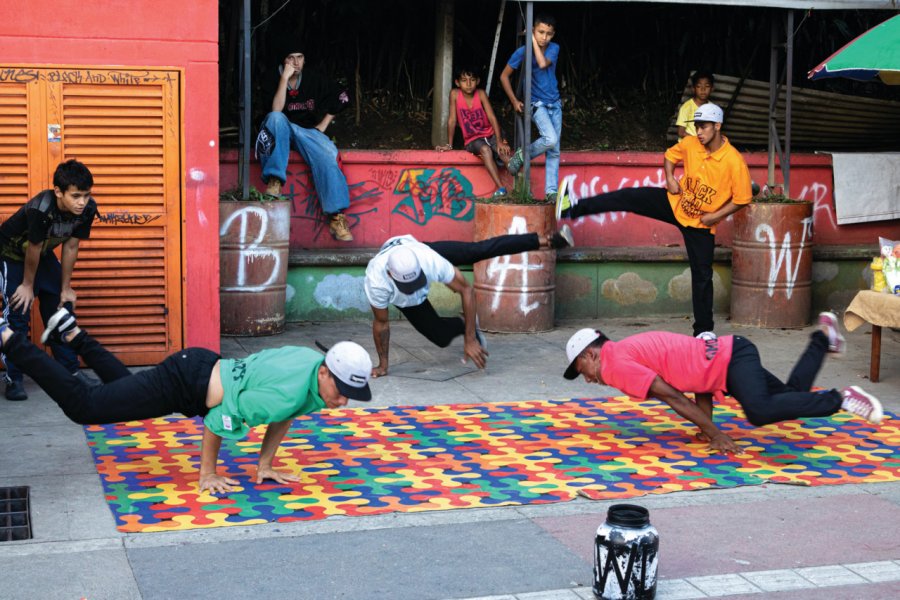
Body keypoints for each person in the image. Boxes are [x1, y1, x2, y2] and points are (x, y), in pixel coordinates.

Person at [0, 306, 373, 494]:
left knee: (126, 393)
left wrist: (265, 464)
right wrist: (207, 473)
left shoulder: (310, 369)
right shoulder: (283, 395)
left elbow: (286, 415)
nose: (343, 402)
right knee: (87, 406)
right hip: (185, 382)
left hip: (199, 367)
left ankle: (71, 332)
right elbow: (217, 421)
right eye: (342, 391)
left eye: (351, 395)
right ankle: (10, 340)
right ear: (325, 372)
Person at [556, 103, 752, 337]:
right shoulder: (691, 143)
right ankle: (572, 208)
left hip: (702, 223)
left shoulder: (733, 161)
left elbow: (742, 198)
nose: (699, 132)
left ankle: (703, 332)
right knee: (628, 197)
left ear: (718, 126)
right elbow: (670, 156)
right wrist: (669, 177)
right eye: (697, 127)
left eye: (704, 127)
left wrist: (715, 217)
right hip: (675, 203)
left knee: (702, 277)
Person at [562, 312, 883, 455]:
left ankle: (839, 399)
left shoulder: (615, 366)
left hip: (732, 360)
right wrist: (708, 427)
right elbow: (696, 382)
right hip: (730, 355)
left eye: (582, 370)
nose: (588, 379)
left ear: (592, 354)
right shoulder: (625, 351)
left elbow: (675, 398)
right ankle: (823, 339)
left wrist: (717, 434)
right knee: (792, 397)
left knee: (758, 411)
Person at [366, 227, 574, 376]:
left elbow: (466, 290)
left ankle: (547, 240)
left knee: (478, 250)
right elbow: (382, 324)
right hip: (402, 285)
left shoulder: (429, 260)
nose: (417, 287)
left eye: (417, 281)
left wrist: (470, 340)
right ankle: (463, 323)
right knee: (439, 337)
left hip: (417, 250)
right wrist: (383, 365)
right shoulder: (377, 282)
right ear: (390, 276)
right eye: (409, 285)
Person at [0, 159, 98, 401]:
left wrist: (65, 288)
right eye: (75, 196)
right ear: (58, 192)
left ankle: (71, 371)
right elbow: (32, 247)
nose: (82, 202)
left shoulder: (87, 209)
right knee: (18, 313)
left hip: (40, 255)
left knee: (60, 310)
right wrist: (27, 286)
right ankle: (14, 379)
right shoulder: (41, 209)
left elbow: (71, 246)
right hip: (10, 255)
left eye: (86, 195)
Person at [256, 43, 354, 241]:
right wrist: (284, 78)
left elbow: (343, 96)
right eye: (290, 58)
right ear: (283, 61)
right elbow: (276, 110)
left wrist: (324, 123)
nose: (295, 62)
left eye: (299, 57)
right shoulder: (270, 78)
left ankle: (336, 216)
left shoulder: (313, 78)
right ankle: (275, 181)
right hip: (279, 128)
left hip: (305, 132)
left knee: (327, 152)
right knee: (276, 118)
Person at [499, 13, 561, 203]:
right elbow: (504, 76)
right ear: (534, 30)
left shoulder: (554, 48)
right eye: (540, 32)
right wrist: (514, 101)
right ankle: (522, 155)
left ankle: (551, 192)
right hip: (536, 103)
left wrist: (532, 38)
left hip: (555, 103)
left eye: (548, 34)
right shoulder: (522, 52)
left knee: (554, 150)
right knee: (550, 139)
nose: (544, 37)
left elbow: (542, 63)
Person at [436, 66, 511, 198]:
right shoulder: (454, 94)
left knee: (505, 155)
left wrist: (499, 141)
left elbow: (492, 117)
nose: (469, 84)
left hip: (491, 134)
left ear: (477, 81)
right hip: (472, 140)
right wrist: (449, 145)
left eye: (472, 80)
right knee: (485, 150)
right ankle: (501, 189)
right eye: (464, 80)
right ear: (457, 83)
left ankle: (523, 189)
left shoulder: (481, 94)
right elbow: (452, 120)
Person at [676, 71, 714, 139]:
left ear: (712, 89)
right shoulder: (686, 107)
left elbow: (714, 130)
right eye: (699, 86)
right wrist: (697, 141)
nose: (703, 90)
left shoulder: (713, 108)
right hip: (688, 144)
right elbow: (681, 132)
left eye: (707, 86)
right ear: (693, 89)